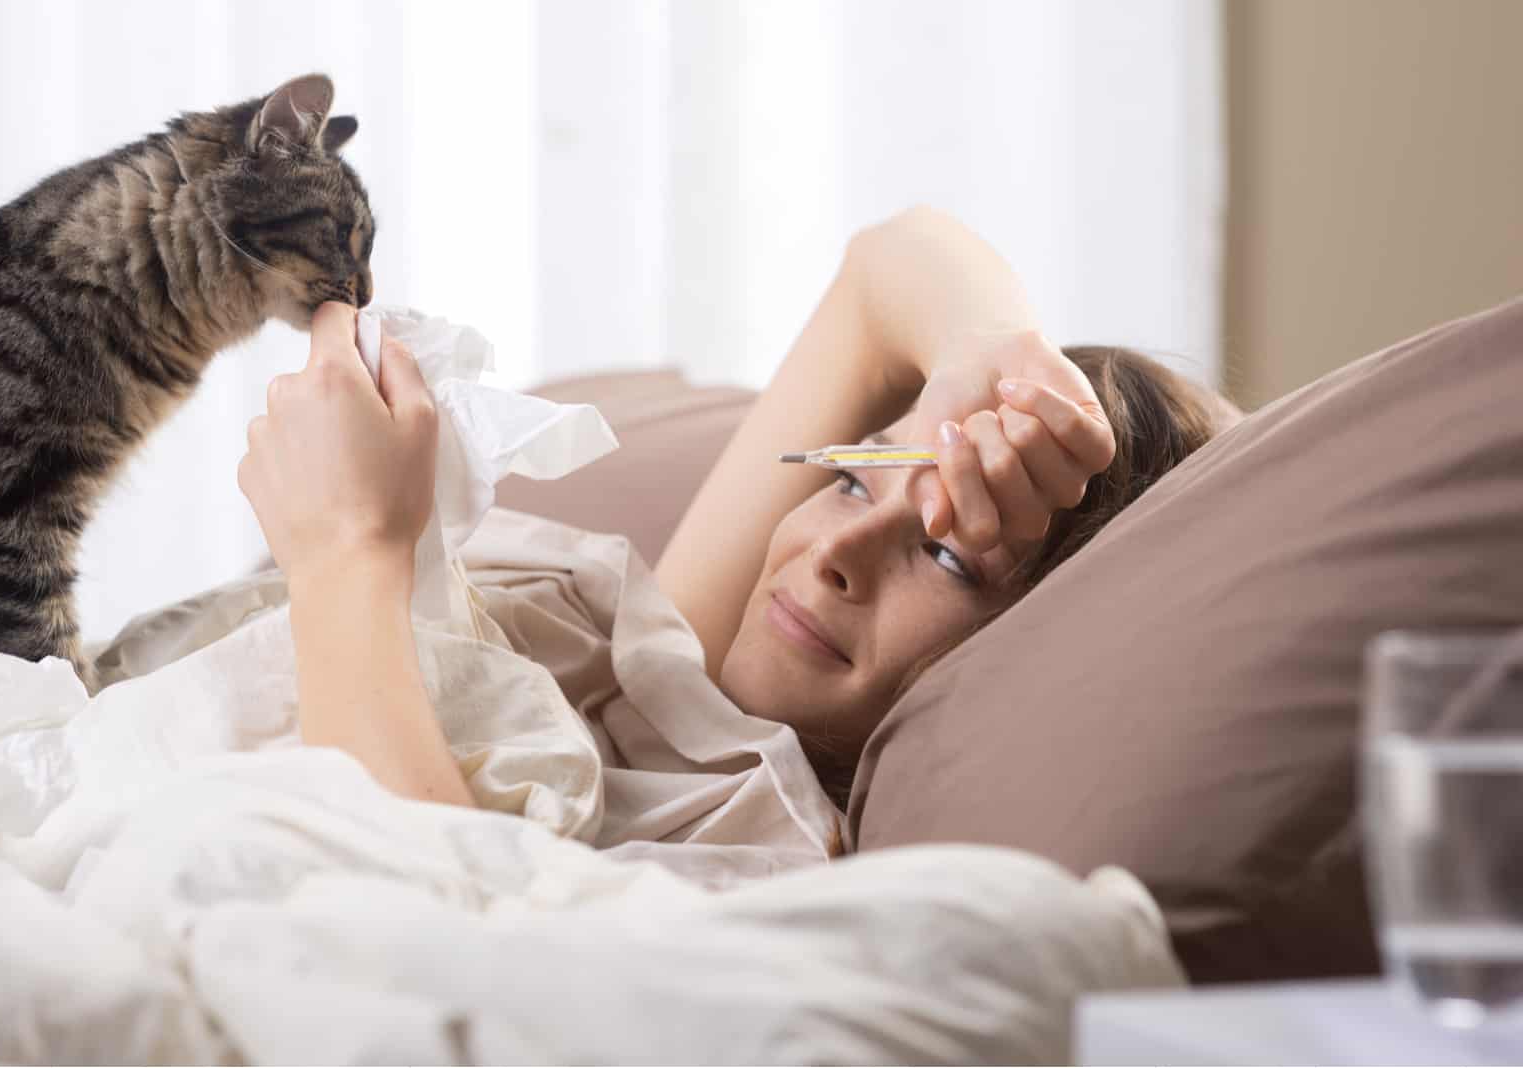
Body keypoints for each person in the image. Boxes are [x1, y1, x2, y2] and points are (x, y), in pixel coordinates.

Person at [238, 206, 1236, 810]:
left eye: (947, 559)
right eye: (850, 477)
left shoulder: (766, 848)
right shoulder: (677, 663)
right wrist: (987, 358)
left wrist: (347, 556)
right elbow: (887, 267)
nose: (835, 548)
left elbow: (408, 943)